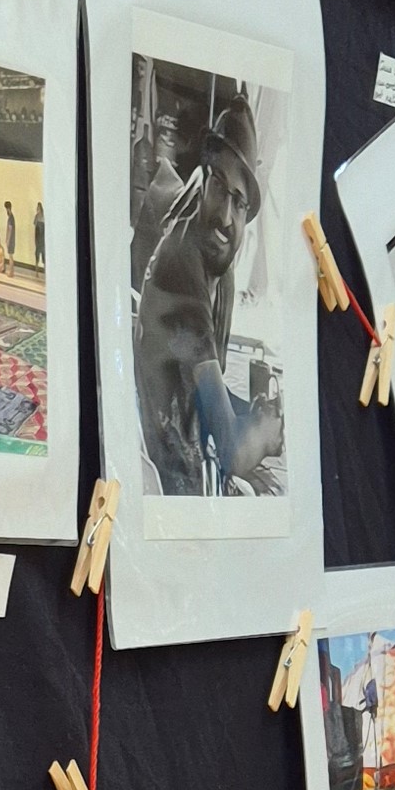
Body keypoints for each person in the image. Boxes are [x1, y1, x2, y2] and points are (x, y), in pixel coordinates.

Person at [132, 88, 285, 498]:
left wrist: (250, 414)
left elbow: (202, 389)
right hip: (169, 480)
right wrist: (267, 435)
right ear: (202, 181)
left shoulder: (219, 268)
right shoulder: (182, 264)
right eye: (218, 186)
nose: (225, 217)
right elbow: (232, 452)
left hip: (188, 450)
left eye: (239, 202)